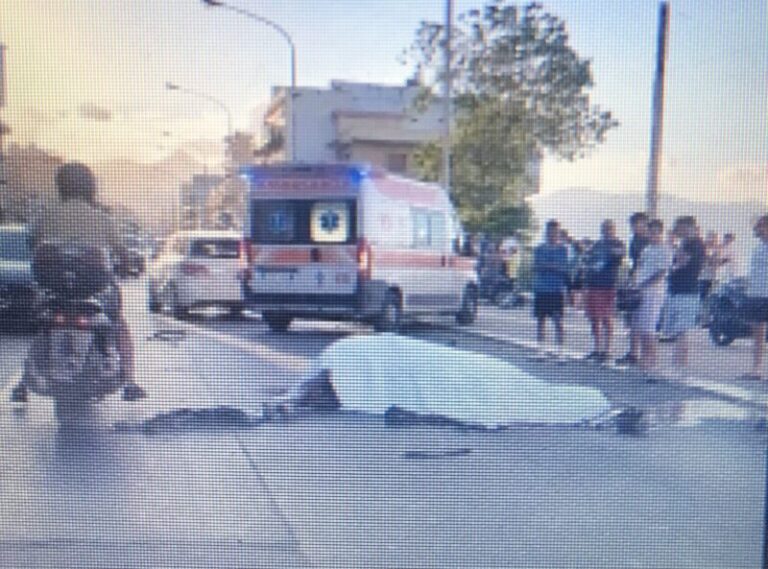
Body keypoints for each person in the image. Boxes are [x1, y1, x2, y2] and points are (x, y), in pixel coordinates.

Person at [10, 162, 146, 403]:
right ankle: (130, 382)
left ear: (60, 186)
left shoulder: (46, 215)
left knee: (43, 326)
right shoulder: (102, 218)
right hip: (92, 288)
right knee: (118, 324)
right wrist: (123, 267)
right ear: (90, 187)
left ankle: (23, 385)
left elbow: (32, 243)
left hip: (55, 288)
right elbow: (121, 252)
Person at [662, 216, 706, 372]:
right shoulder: (684, 243)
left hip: (687, 291)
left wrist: (674, 265)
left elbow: (681, 263)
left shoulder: (696, 244)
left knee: (682, 330)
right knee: (676, 329)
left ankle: (680, 366)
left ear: (687, 227)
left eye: (678, 227)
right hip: (676, 289)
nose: (675, 230)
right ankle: (677, 364)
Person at [630, 220, 672, 372]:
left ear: (660, 232)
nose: (652, 235)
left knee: (649, 327)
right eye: (650, 232)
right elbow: (639, 267)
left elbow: (661, 273)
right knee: (639, 326)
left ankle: (652, 359)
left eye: (655, 232)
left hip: (654, 292)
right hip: (639, 292)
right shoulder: (647, 249)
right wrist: (634, 283)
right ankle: (643, 356)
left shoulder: (665, 250)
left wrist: (644, 284)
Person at [583, 220, 626, 363]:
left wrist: (609, 249)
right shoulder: (597, 245)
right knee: (594, 318)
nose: (607, 231)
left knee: (607, 317)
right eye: (604, 229)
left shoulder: (618, 244)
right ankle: (597, 349)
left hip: (608, 285)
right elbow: (587, 260)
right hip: (593, 285)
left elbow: (619, 256)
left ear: (614, 230)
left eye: (609, 229)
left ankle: (608, 350)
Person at [532, 220, 570, 360]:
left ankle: (560, 351)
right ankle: (541, 349)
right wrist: (551, 266)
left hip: (556, 289)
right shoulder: (539, 249)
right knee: (541, 320)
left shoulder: (563, 249)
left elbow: (564, 268)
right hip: (541, 288)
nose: (552, 235)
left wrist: (549, 266)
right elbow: (536, 266)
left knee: (558, 320)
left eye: (555, 232)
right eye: (550, 232)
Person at [616, 212, 650, 366]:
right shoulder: (634, 241)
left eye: (639, 224)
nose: (636, 228)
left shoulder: (649, 242)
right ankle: (633, 353)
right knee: (632, 319)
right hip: (634, 280)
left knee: (644, 321)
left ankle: (645, 355)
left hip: (646, 283)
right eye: (633, 225)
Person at [737, 215, 768, 381]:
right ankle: (756, 369)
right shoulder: (757, 247)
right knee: (757, 334)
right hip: (755, 294)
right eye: (757, 226)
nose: (757, 229)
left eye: (761, 226)